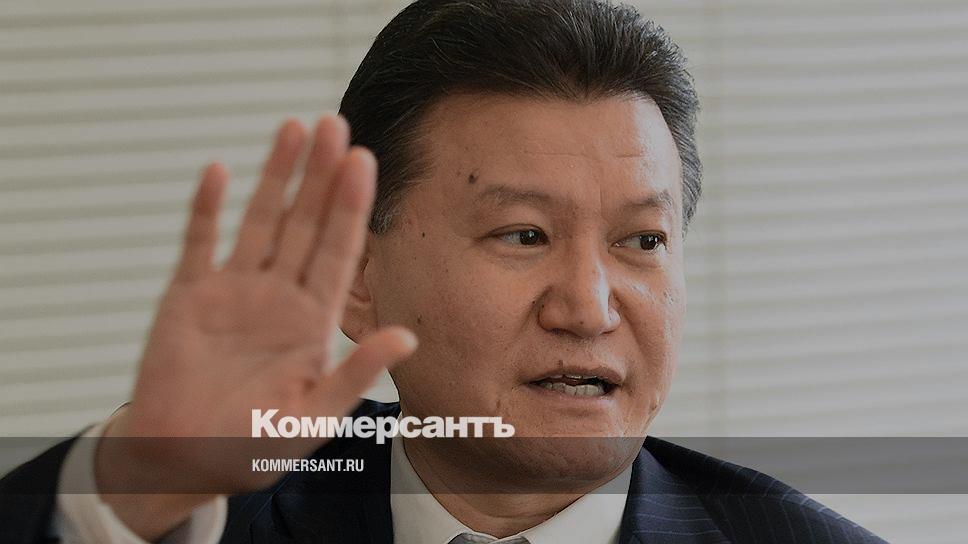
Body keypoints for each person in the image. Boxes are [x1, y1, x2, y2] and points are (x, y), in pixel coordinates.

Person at [0, 1, 886, 543]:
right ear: (359, 278)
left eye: (641, 242)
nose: (588, 309)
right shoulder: (218, 505)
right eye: (524, 235)